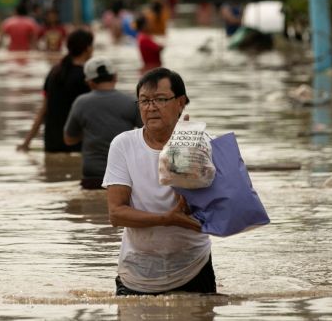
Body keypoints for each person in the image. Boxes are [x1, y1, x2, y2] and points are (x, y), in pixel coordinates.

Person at [102, 67, 216, 296]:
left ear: (180, 102)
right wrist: (167, 219)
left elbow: (220, 206)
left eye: (160, 99)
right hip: (136, 274)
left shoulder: (202, 142)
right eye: (144, 101)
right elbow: (116, 214)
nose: (151, 107)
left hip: (193, 268)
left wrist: (185, 152)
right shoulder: (123, 145)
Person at [63, 57, 142, 190]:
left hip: (92, 175)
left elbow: (69, 139)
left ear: (89, 82)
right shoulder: (131, 102)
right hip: (124, 174)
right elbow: (148, 135)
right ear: (115, 77)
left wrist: (89, 131)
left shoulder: (81, 103)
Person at [16, 29, 94, 153]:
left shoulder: (55, 72)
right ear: (88, 48)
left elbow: (44, 109)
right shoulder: (88, 77)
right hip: (76, 143)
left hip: (52, 142)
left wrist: (27, 142)